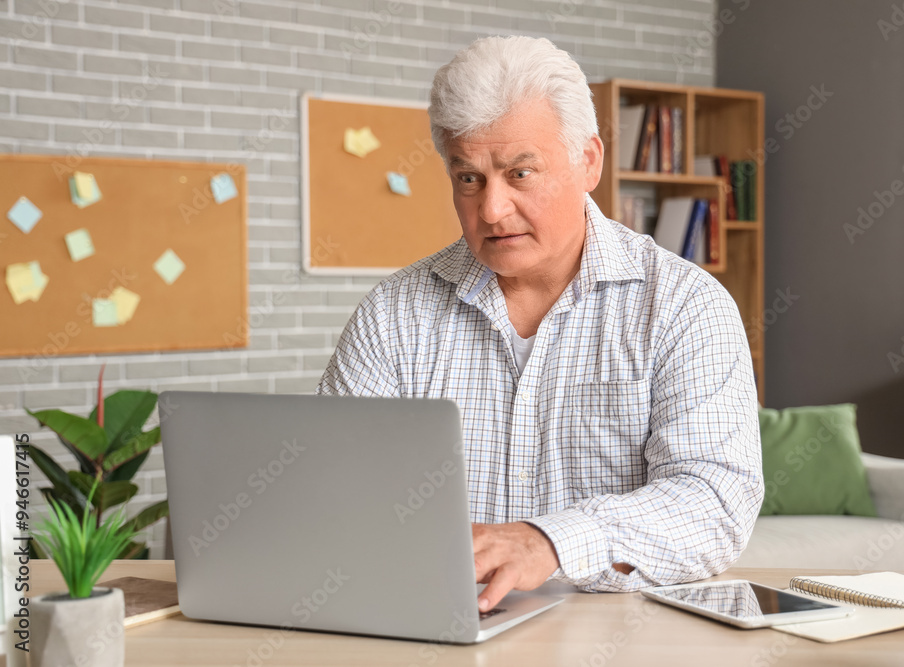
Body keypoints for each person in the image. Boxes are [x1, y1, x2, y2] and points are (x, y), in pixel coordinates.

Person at [317, 35, 763, 612]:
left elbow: (714, 503)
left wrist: (552, 542)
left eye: (520, 173)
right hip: (441, 627)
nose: (492, 210)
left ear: (590, 161)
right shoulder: (393, 315)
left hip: (622, 640)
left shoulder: (685, 307)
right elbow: (332, 488)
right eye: (468, 178)